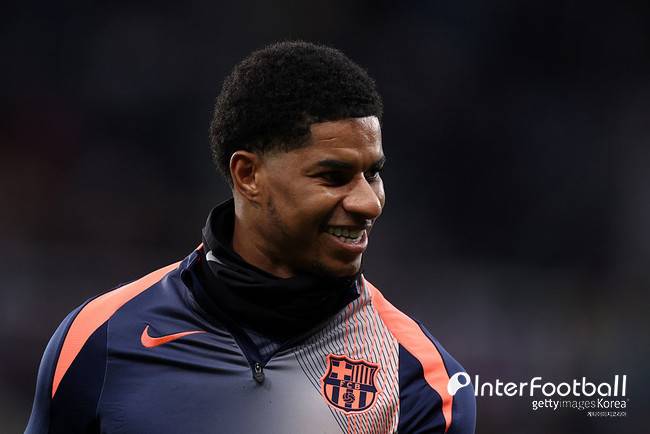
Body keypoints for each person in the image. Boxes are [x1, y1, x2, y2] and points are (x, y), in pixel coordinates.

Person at [25, 41, 476, 434]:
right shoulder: (100, 339)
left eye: (373, 174)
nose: (368, 203)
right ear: (248, 175)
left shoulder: (420, 382)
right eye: (333, 176)